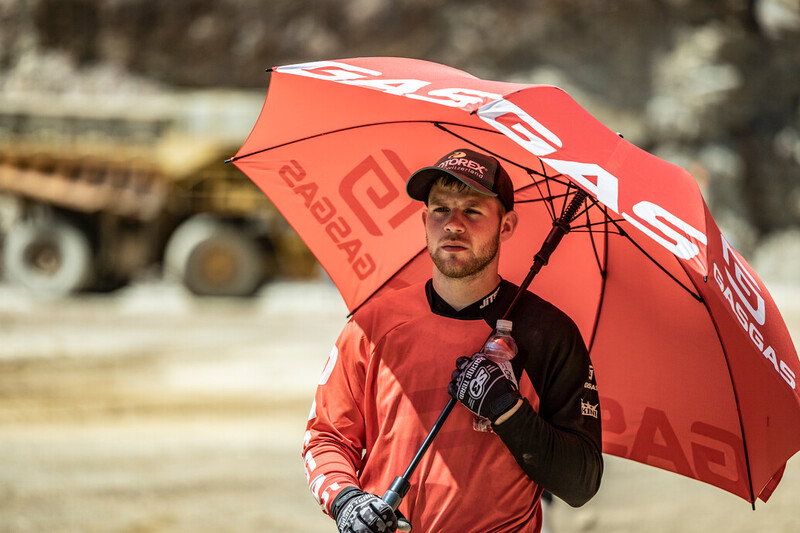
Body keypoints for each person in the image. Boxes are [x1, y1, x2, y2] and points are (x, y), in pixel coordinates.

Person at [302, 148, 603, 533]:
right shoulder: (372, 323)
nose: (453, 225)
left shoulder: (549, 333)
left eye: (473, 211)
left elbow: (581, 483)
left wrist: (507, 410)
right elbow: (326, 437)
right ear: (425, 220)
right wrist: (347, 501)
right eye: (441, 210)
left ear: (506, 226)